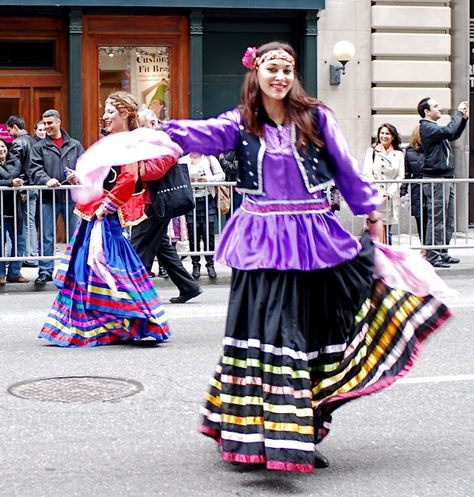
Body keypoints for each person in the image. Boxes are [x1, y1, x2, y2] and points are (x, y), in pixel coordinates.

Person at [162, 41, 452, 473]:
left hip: (315, 241)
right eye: (271, 68)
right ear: (255, 72)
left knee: (312, 339)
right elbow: (200, 134)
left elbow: (345, 168)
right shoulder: (239, 122)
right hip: (261, 245)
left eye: (287, 69)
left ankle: (301, 430)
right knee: (269, 339)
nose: (279, 77)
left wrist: (370, 211)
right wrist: (157, 132)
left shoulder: (316, 117)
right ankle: (255, 436)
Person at [38, 91, 171, 347]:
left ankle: (122, 320)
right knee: (89, 269)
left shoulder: (127, 143)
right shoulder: (113, 141)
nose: (104, 116)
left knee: (99, 268)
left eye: (110, 111)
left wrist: (107, 206)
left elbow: (129, 178)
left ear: (125, 114)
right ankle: (97, 322)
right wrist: (84, 180)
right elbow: (107, 177)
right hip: (95, 216)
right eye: (105, 111)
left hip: (104, 219)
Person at [30, 109, 84, 286]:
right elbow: (35, 169)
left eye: (50, 123)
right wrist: (46, 179)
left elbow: (84, 166)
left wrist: (77, 174)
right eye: (44, 124)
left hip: (71, 197)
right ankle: (45, 271)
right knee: (46, 237)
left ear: (59, 122)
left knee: (74, 236)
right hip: (48, 197)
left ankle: (73, 270)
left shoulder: (75, 145)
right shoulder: (38, 147)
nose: (47, 127)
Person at [418, 97, 469, 268]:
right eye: (436, 106)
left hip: (446, 176)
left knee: (449, 219)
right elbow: (449, 131)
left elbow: (453, 133)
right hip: (436, 178)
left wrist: (464, 120)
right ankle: (433, 255)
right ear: (427, 111)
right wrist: (459, 113)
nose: (439, 109)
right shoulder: (427, 127)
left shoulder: (434, 128)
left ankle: (442, 252)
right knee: (437, 218)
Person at [179, 152, 225, 279]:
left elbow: (221, 175)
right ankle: (195, 265)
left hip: (207, 199)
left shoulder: (210, 158)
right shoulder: (183, 160)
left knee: (208, 234)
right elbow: (178, 177)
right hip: (190, 200)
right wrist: (188, 180)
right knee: (193, 235)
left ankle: (210, 264)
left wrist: (207, 179)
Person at [363, 123, 404, 244]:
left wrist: (388, 193)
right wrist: (379, 192)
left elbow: (400, 176)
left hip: (391, 196)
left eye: (387, 133)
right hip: (375, 195)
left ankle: (387, 257)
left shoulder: (399, 154)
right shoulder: (372, 151)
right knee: (374, 231)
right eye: (382, 133)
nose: (384, 136)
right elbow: (367, 173)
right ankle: (373, 258)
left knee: (388, 231)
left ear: (393, 137)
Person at [6, 115, 38, 268]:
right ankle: (31, 254)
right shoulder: (33, 140)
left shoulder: (18, 143)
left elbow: (15, 168)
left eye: (9, 130)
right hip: (33, 185)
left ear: (15, 127)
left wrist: (20, 188)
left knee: (25, 222)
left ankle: (29, 255)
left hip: (24, 187)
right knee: (30, 221)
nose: (9, 133)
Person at [0, 138, 29, 284]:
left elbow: (25, 176)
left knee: (20, 241)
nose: (1, 149)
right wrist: (10, 182)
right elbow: (10, 180)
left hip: (15, 207)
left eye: (2, 146)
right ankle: (0, 275)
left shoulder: (16, 162)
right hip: (0, 208)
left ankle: (14, 273)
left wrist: (22, 185)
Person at [401, 124, 427, 244]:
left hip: (431, 185)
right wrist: (403, 191)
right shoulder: (410, 150)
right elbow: (406, 172)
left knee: (434, 218)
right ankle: (425, 247)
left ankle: (438, 250)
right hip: (417, 188)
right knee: (420, 218)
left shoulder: (432, 148)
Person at [218, 150, 243, 216]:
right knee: (227, 213)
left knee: (234, 214)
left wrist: (223, 161)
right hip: (224, 189)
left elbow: (236, 168)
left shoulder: (237, 150)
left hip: (235, 189)